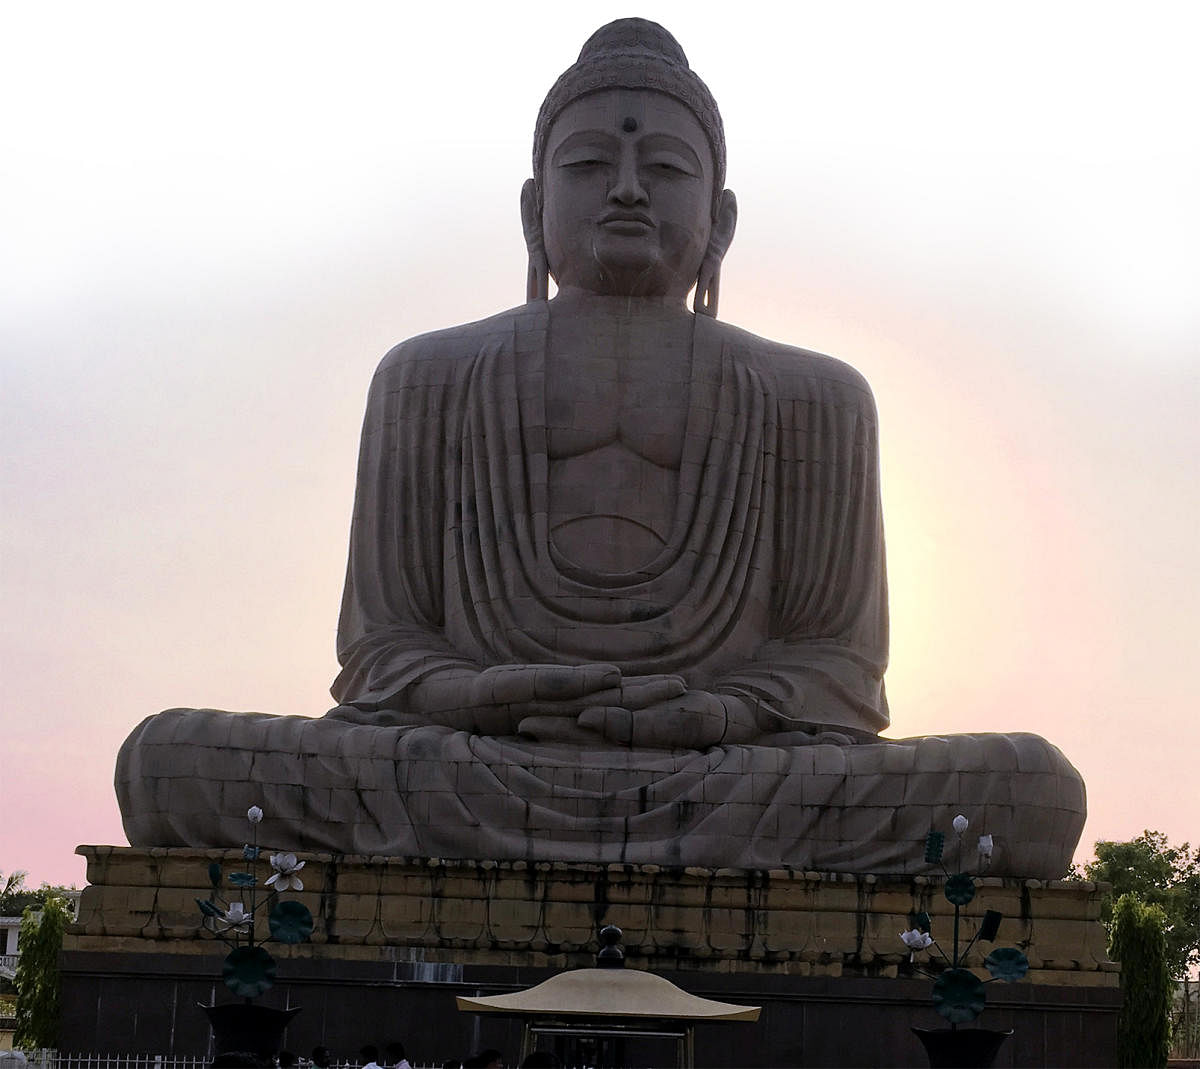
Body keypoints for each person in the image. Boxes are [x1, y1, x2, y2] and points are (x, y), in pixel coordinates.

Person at [115, 18, 1085, 878]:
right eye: (588, 167)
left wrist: (716, 714)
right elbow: (383, 657)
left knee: (1034, 790)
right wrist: (485, 693)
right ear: (534, 210)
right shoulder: (426, 376)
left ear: (723, 221)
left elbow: (836, 671)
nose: (626, 191)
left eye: (666, 170)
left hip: (727, 770)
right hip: (471, 758)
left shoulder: (817, 396)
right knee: (167, 760)